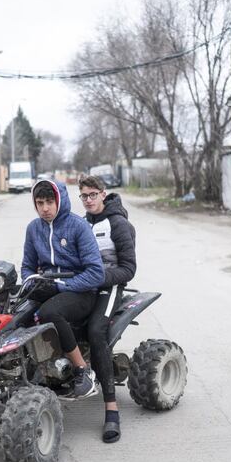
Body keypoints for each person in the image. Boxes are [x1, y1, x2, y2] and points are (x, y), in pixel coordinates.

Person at [22, 179, 105, 397]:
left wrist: (62, 285)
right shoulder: (33, 228)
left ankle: (82, 372)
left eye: (50, 202)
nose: (45, 208)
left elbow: (96, 273)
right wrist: (31, 281)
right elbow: (27, 266)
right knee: (0, 305)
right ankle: (21, 367)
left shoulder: (78, 226)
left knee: (50, 312)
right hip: (48, 287)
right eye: (40, 203)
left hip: (80, 291)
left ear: (60, 200)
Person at [79, 175, 136, 443]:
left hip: (109, 285)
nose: (88, 200)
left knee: (95, 330)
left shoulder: (118, 224)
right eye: (84, 196)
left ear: (103, 194)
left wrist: (98, 278)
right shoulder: (80, 224)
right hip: (82, 286)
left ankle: (111, 408)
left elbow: (128, 269)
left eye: (93, 194)